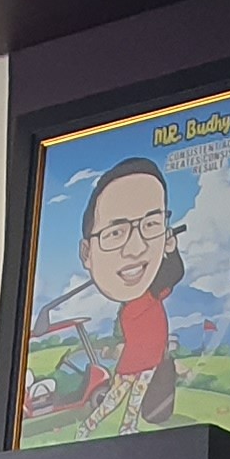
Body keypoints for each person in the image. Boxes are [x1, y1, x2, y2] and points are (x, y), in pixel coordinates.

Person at [72, 154, 183, 433]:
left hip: (148, 362)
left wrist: (171, 250)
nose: (135, 248)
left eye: (151, 225)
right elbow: (171, 276)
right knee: (116, 397)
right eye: (115, 232)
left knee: (132, 398)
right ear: (87, 252)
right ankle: (94, 425)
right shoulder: (136, 305)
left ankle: (124, 427)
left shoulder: (150, 295)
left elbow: (174, 273)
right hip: (134, 363)